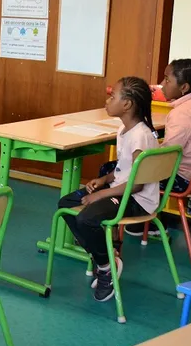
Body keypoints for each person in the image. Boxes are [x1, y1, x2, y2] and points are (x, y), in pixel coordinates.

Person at [57, 76, 160, 303]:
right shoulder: (125, 129)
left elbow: (137, 184)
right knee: (66, 204)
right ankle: (104, 257)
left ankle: (105, 267)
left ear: (127, 104)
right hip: (121, 190)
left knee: (86, 218)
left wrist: (101, 194)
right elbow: (125, 169)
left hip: (137, 200)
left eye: (113, 96)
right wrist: (104, 180)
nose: (107, 100)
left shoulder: (141, 136)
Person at [126, 59, 191, 237]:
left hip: (186, 180)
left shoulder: (182, 113)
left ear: (184, 87)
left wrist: (145, 145)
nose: (162, 85)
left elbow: (166, 156)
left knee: (117, 169)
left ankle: (135, 221)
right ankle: (153, 222)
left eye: (167, 80)